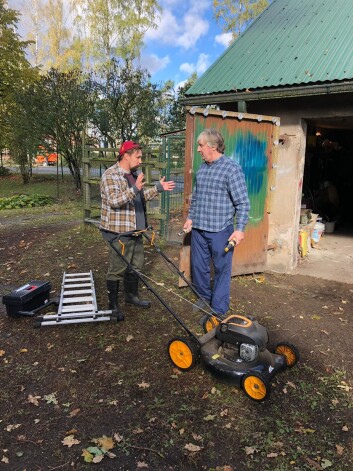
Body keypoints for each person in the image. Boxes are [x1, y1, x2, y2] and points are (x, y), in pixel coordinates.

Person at [100, 140, 175, 320]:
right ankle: (113, 306)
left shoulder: (133, 174)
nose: (141, 160)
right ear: (126, 155)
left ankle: (131, 297)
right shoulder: (110, 175)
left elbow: (139, 197)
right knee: (117, 268)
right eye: (138, 156)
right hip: (119, 232)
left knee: (136, 265)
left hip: (136, 230)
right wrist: (134, 189)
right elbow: (114, 201)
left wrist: (157, 188)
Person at [183, 128, 250, 319]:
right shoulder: (203, 168)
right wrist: (190, 217)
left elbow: (242, 202)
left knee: (221, 269)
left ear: (213, 146)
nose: (198, 150)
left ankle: (219, 308)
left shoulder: (232, 169)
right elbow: (196, 198)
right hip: (199, 230)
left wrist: (239, 229)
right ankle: (204, 298)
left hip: (221, 231)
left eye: (200, 145)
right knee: (199, 267)